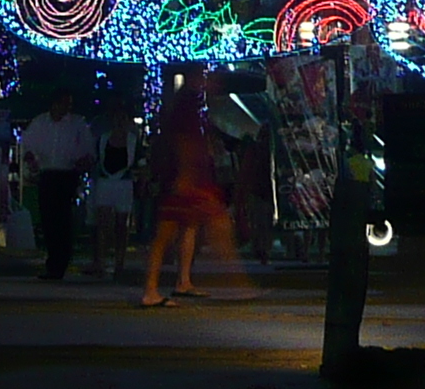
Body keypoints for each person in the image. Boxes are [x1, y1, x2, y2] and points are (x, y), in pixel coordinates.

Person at [138, 76, 260, 306]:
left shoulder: (191, 107)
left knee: (188, 229)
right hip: (186, 179)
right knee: (188, 229)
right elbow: (184, 142)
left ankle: (182, 281)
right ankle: (233, 283)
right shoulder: (187, 107)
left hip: (188, 177)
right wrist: (186, 175)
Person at [19, 81, 98, 282]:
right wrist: (31, 160)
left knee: (63, 220)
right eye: (63, 103)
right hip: (47, 174)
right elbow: (27, 145)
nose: (66, 108)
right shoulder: (40, 123)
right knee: (48, 220)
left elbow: (88, 150)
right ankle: (53, 261)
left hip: (66, 174)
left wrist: (82, 164)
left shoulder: (77, 124)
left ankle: (60, 262)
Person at [87, 123, 135, 282]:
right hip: (105, 182)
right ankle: (100, 261)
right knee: (103, 224)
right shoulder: (103, 139)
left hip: (124, 183)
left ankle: (119, 263)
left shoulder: (133, 141)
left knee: (121, 225)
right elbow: (95, 159)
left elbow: (138, 161)